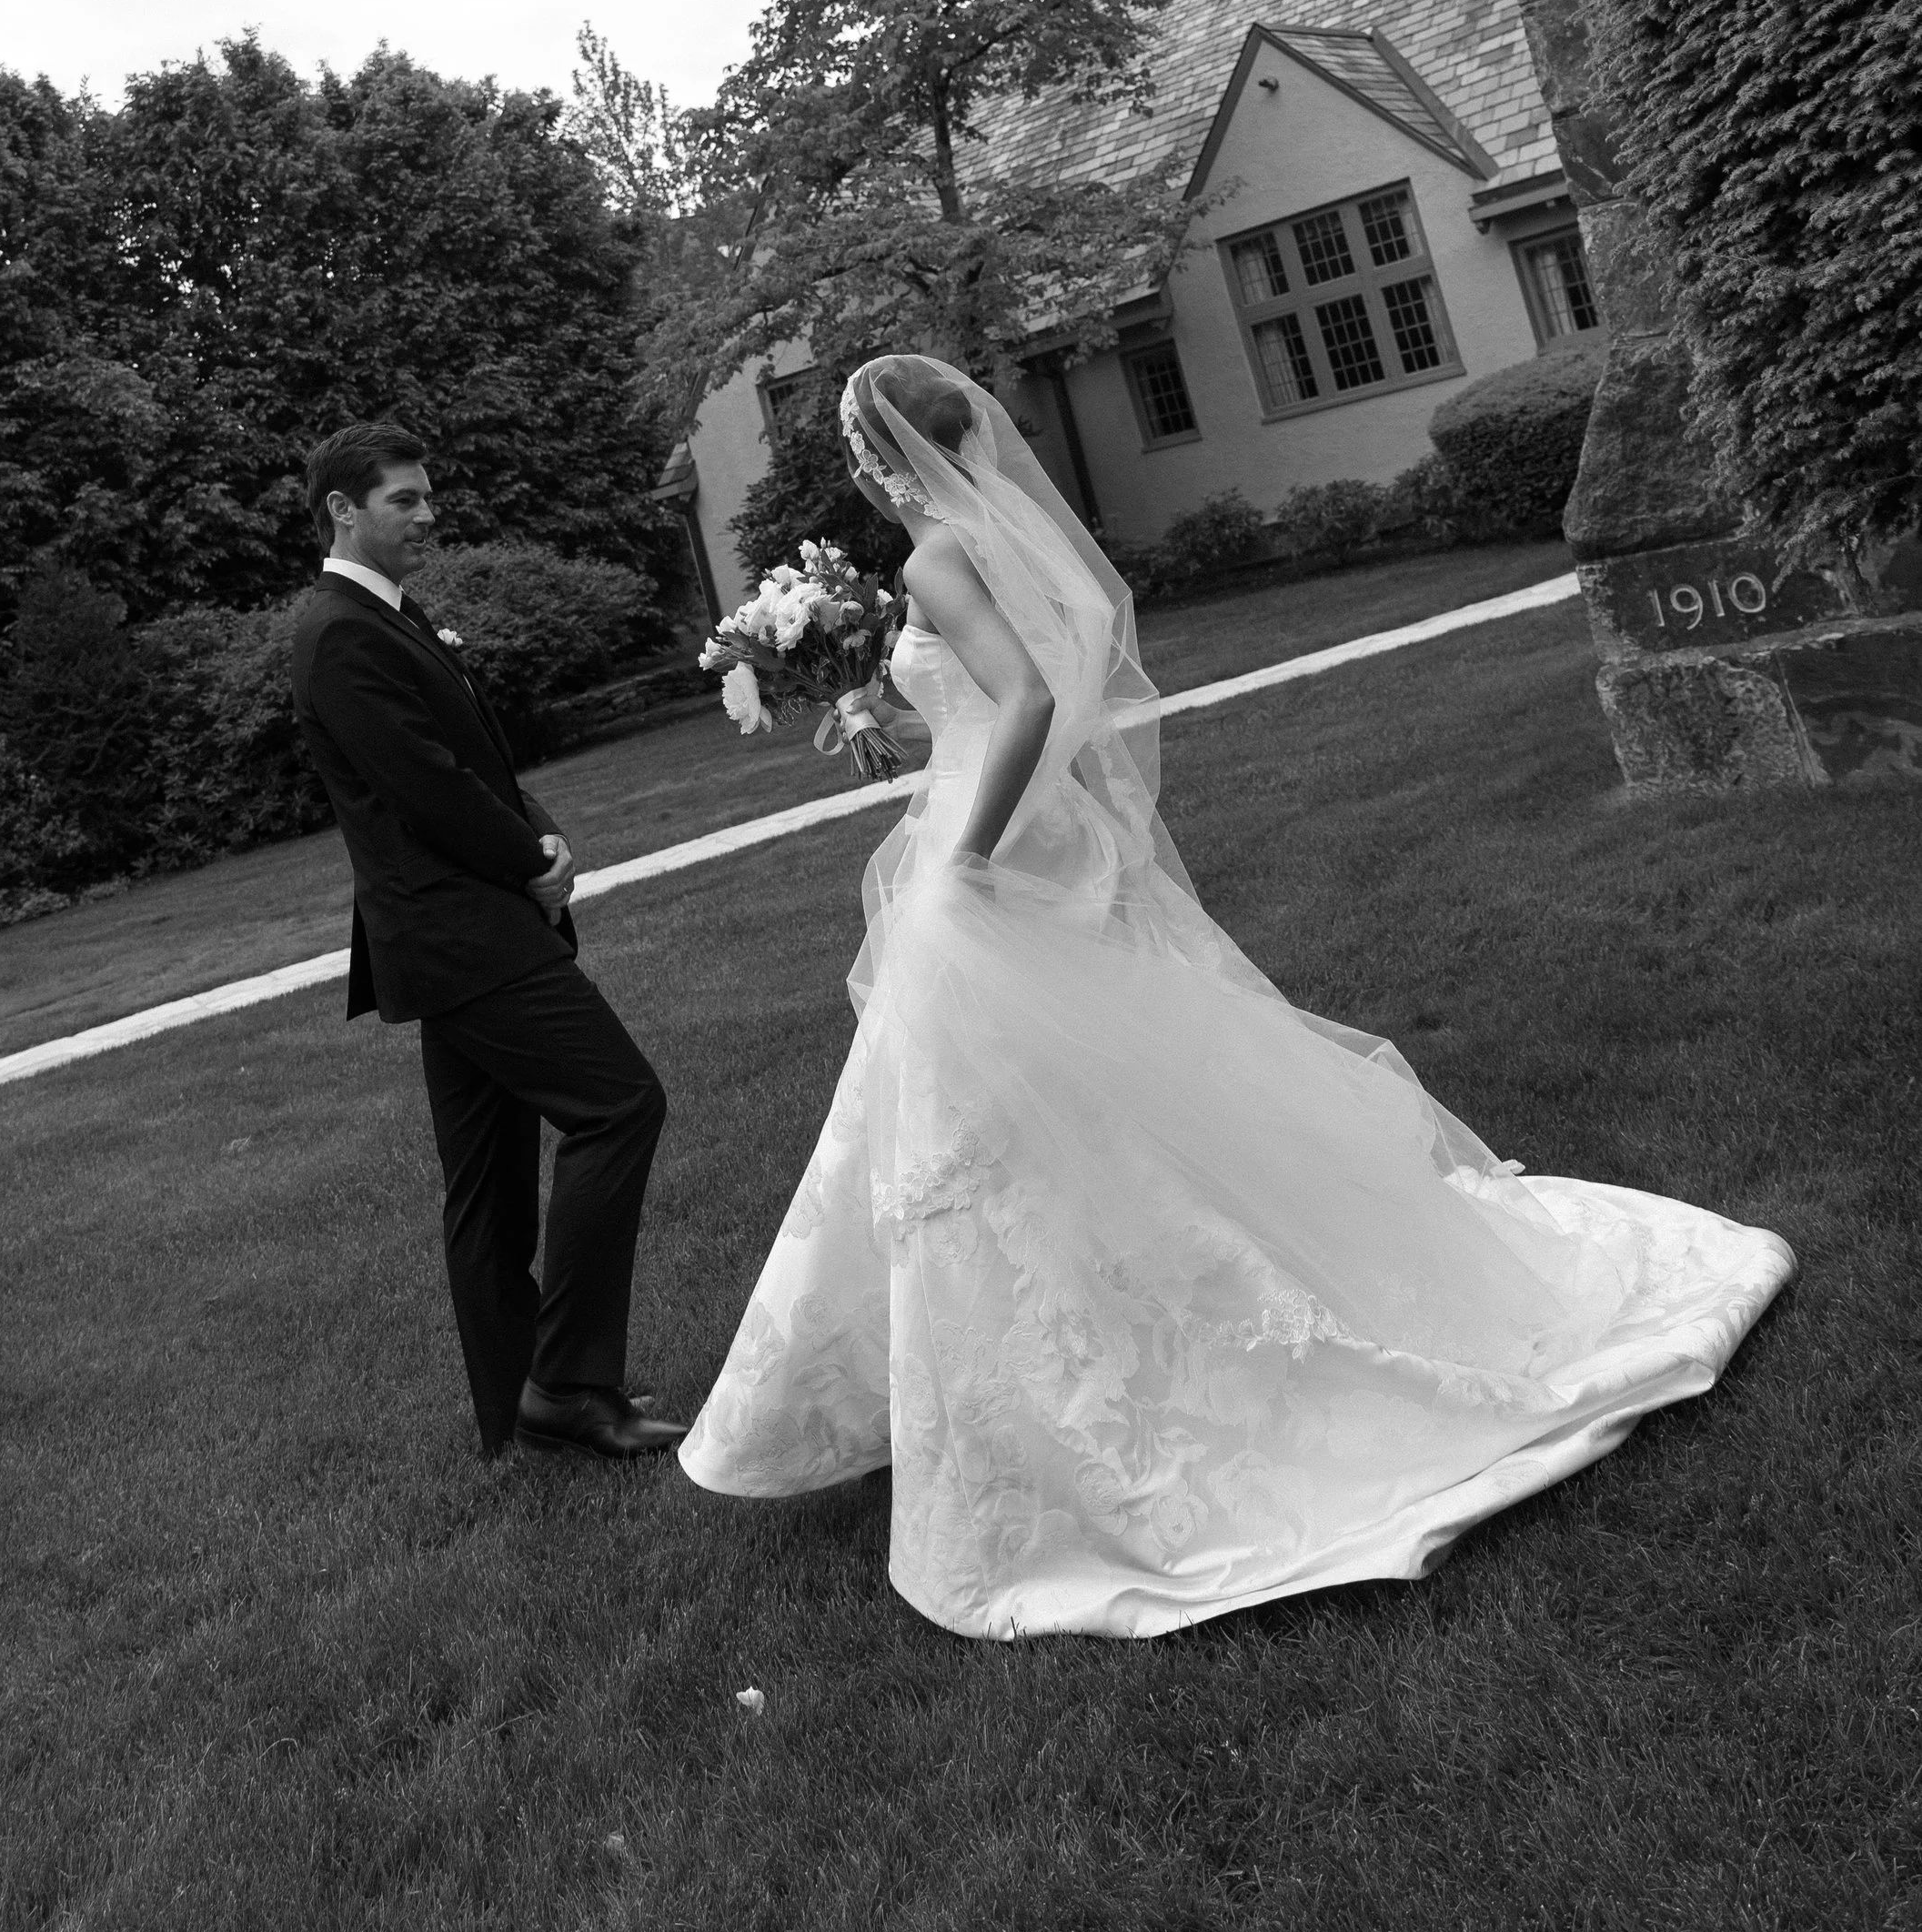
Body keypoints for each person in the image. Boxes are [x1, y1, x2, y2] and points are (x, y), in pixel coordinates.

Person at [678, 354, 1793, 1638]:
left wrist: (972, 851)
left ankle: (1064, 1386)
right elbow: (1033, 693)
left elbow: (1034, 700)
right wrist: (902, 714)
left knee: (980, 1128)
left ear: (880, 461)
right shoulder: (997, 541)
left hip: (987, 858)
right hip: (1037, 837)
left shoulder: (937, 560)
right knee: (1075, 1105)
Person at [291, 418, 683, 1461]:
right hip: (461, 934)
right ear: (343, 510)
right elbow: (427, 789)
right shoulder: (338, 630)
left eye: (428, 496)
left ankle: (517, 1408)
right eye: (404, 501)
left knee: (488, 1184)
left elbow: (472, 765)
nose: (430, 514)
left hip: (454, 931)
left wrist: (538, 834)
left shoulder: (387, 616)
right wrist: (528, 860)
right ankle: (567, 1383)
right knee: (618, 1105)